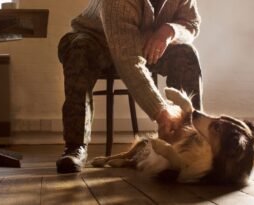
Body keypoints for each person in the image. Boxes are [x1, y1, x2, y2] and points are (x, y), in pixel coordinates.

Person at [56, 0, 203, 173]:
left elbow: (191, 23)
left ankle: (193, 137)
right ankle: (75, 146)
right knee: (78, 50)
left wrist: (169, 31)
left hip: (144, 42)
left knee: (186, 53)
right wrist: (161, 112)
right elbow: (128, 61)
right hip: (96, 40)